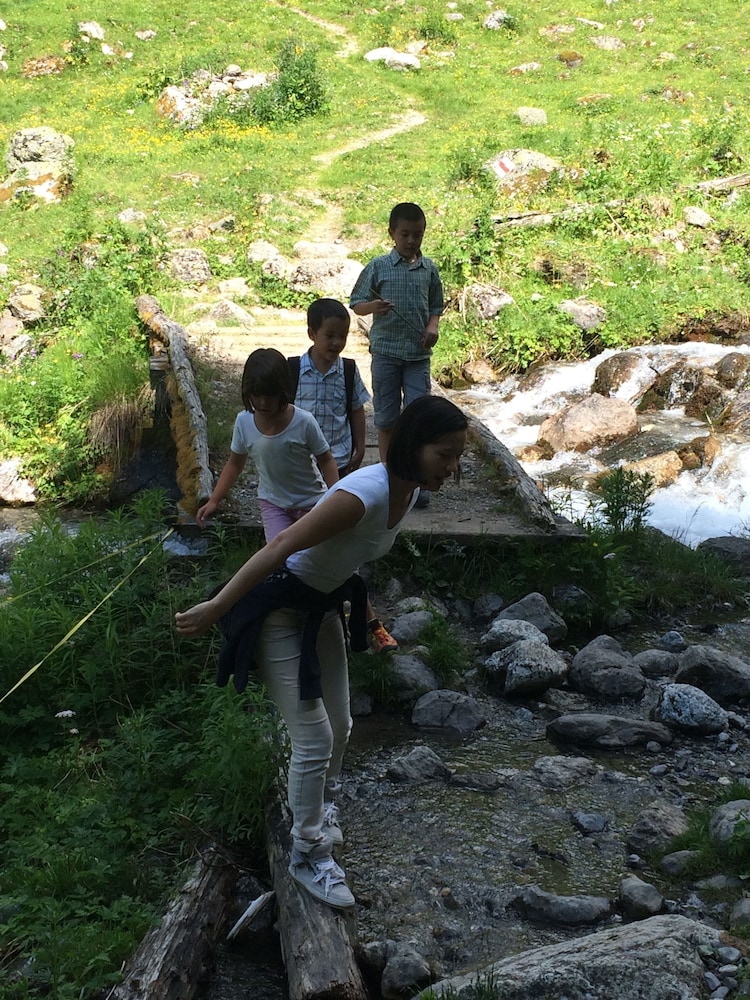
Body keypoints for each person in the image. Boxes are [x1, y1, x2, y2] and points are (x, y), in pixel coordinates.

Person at [175, 395, 468, 910]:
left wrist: (368, 617)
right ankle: (307, 853)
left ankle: (319, 808)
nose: (452, 467)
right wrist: (217, 607)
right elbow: (279, 546)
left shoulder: (407, 492)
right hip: (280, 610)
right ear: (413, 447)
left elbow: (345, 559)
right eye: (444, 454)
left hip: (324, 605)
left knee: (342, 724)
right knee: (313, 738)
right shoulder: (364, 494)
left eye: (457, 455)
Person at [290, 297, 398, 655]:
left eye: (343, 336)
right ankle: (339, 619)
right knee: (311, 547)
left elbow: (355, 411)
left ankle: (364, 621)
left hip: (336, 470)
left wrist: (359, 448)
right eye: (330, 336)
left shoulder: (348, 372)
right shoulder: (293, 372)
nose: (337, 343)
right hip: (301, 472)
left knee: (339, 548)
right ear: (312, 334)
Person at [349, 201, 445, 508]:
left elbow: (436, 306)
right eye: (405, 234)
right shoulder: (378, 266)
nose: (411, 241)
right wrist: (374, 307)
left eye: (417, 235)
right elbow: (357, 303)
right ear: (392, 233)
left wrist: (432, 327)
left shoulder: (429, 270)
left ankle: (417, 479)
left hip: (418, 356)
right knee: (387, 417)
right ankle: (389, 478)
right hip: (386, 354)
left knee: (418, 417)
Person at [194, 348, 338, 542]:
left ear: (283, 391)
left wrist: (334, 497)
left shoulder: (304, 422)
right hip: (273, 504)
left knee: (311, 552)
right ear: (248, 392)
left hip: (311, 502)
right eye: (257, 395)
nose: (263, 402)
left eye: (270, 396)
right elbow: (235, 464)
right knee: (278, 552)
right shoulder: (244, 422)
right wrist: (214, 500)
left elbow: (326, 460)